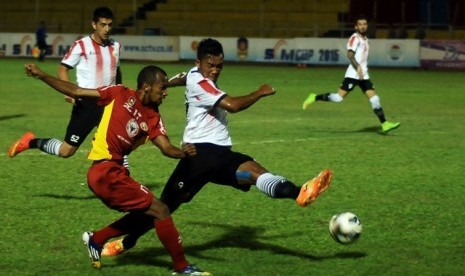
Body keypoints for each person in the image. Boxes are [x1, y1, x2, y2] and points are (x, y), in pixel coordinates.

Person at [100, 38, 333, 257]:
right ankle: (120, 241)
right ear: (199, 62)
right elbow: (232, 105)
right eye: (210, 65)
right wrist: (260, 92)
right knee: (163, 207)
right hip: (199, 157)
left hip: (220, 155)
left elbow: (183, 77)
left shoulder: (194, 74)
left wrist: (165, 83)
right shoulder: (201, 83)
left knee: (255, 173)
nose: (215, 70)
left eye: (219, 66)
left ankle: (299, 193)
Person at [23, 63, 211, 275]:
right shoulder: (118, 93)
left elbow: (165, 147)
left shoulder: (152, 116)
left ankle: (97, 239)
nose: (166, 93)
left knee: (148, 213)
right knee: (161, 210)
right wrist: (42, 75)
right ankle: (182, 267)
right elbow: (76, 91)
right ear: (147, 87)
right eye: (163, 87)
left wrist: (183, 153)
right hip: (104, 172)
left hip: (115, 171)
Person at [9, 7, 128, 168]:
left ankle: (124, 184)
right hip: (86, 103)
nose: (107, 29)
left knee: (117, 143)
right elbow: (63, 68)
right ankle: (31, 142)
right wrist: (69, 93)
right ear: (94, 25)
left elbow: (116, 71)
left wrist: (119, 93)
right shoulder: (81, 45)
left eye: (109, 25)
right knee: (66, 151)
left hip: (108, 104)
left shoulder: (116, 46)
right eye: (103, 25)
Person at [302, 15, 400, 133]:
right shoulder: (355, 38)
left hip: (363, 76)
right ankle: (314, 97)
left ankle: (385, 124)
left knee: (374, 99)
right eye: (360, 24)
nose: (363, 26)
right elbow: (350, 55)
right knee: (338, 98)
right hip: (353, 74)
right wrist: (357, 66)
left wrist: (362, 69)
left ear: (367, 26)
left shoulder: (365, 39)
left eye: (364, 24)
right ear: (356, 26)